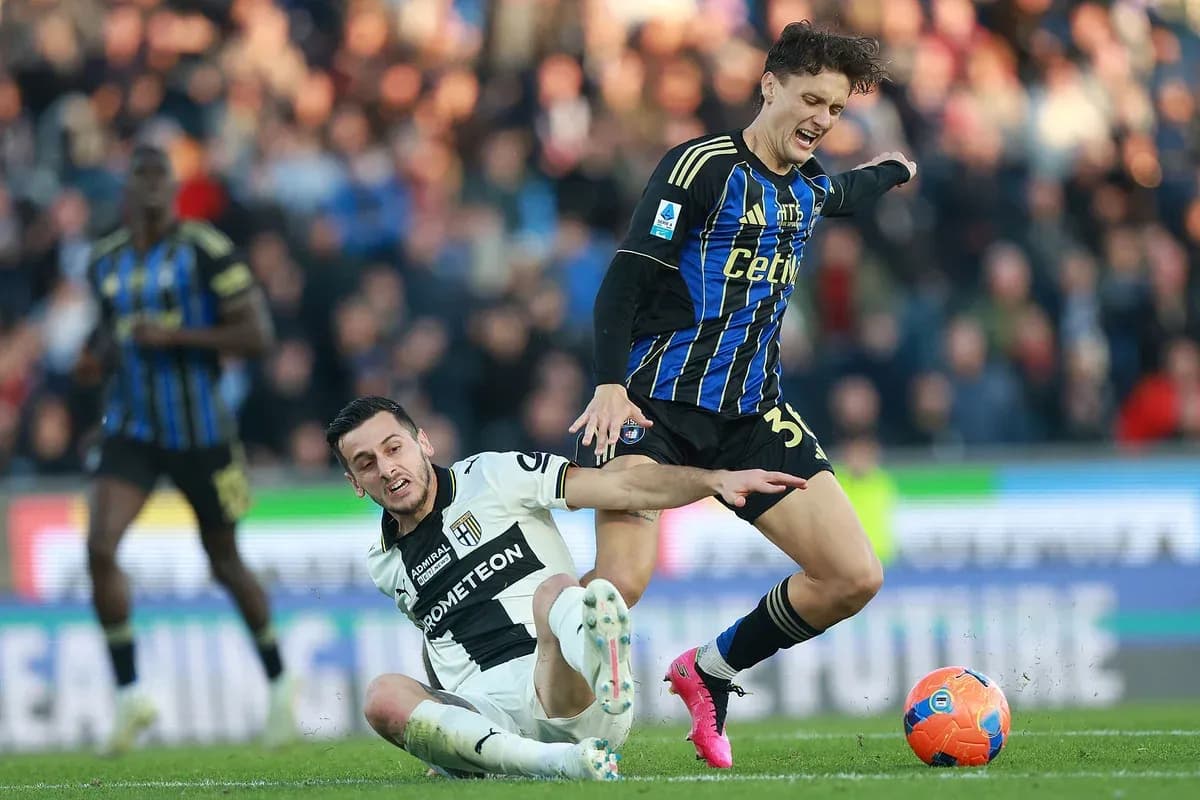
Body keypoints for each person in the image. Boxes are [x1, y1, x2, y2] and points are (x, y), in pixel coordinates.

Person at [569, 21, 917, 768]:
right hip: (651, 410)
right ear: (769, 86)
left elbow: (846, 191)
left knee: (854, 577)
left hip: (754, 416)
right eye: (812, 99)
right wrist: (606, 383)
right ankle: (511, 698)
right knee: (618, 586)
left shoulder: (811, 185)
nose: (823, 120)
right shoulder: (699, 167)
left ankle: (709, 671)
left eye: (836, 110)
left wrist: (894, 170)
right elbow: (625, 279)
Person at [325, 395, 805, 780]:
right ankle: (556, 764)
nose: (386, 469)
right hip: (489, 714)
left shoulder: (493, 476)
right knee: (382, 695)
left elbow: (624, 490)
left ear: (423, 443)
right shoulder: (384, 564)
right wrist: (435, 725)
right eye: (366, 463)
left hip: (561, 682)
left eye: (393, 448)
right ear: (355, 483)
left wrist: (714, 480)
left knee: (557, 590)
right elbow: (437, 637)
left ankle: (605, 672)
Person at [79, 144, 292, 754]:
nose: (149, 190)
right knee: (99, 546)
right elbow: (106, 332)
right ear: (125, 189)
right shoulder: (104, 260)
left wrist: (176, 337)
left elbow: (258, 335)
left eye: (159, 179)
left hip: (202, 432)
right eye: (139, 177)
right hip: (131, 428)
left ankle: (280, 683)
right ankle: (130, 697)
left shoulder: (206, 249)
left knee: (224, 560)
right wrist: (94, 359)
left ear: (171, 189)